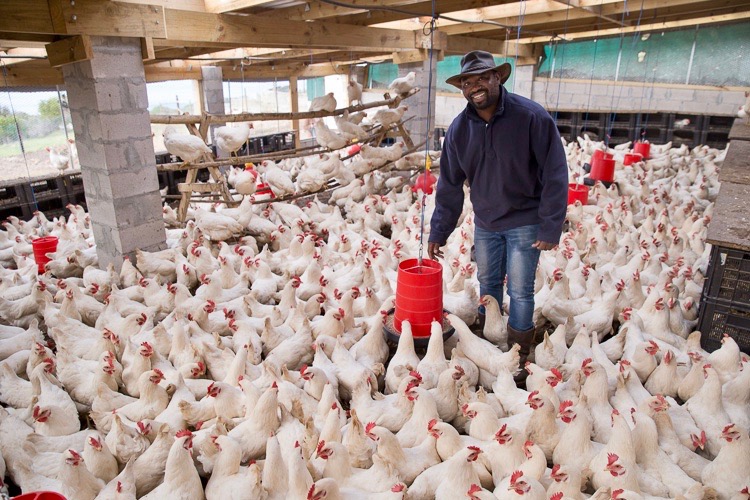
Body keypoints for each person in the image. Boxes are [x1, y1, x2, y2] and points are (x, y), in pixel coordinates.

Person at [427, 50, 568, 380]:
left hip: (525, 221)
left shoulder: (530, 117)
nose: (474, 86)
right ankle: (489, 346)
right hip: (487, 222)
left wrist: (550, 226)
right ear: (461, 88)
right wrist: (439, 229)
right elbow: (449, 183)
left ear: (497, 78)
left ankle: (519, 355)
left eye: (481, 78)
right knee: (487, 284)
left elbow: (555, 172)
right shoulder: (460, 130)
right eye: (466, 82)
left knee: (520, 291)